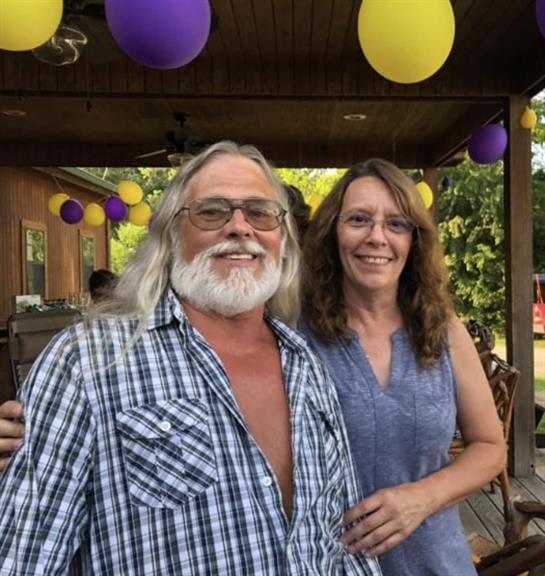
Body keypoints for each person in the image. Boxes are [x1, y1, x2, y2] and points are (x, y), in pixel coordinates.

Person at [0, 142, 381, 575]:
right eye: (212, 211)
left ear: (283, 240)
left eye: (259, 212)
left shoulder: (306, 365)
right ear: (172, 234)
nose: (240, 227)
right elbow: (22, 558)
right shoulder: (87, 362)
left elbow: (345, 545)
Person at [299, 158, 505, 575]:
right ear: (332, 232)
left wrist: (421, 499)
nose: (376, 237)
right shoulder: (295, 334)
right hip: (330, 565)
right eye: (358, 219)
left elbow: (490, 447)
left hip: (438, 563)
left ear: (414, 240)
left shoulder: (444, 329)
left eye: (396, 224)